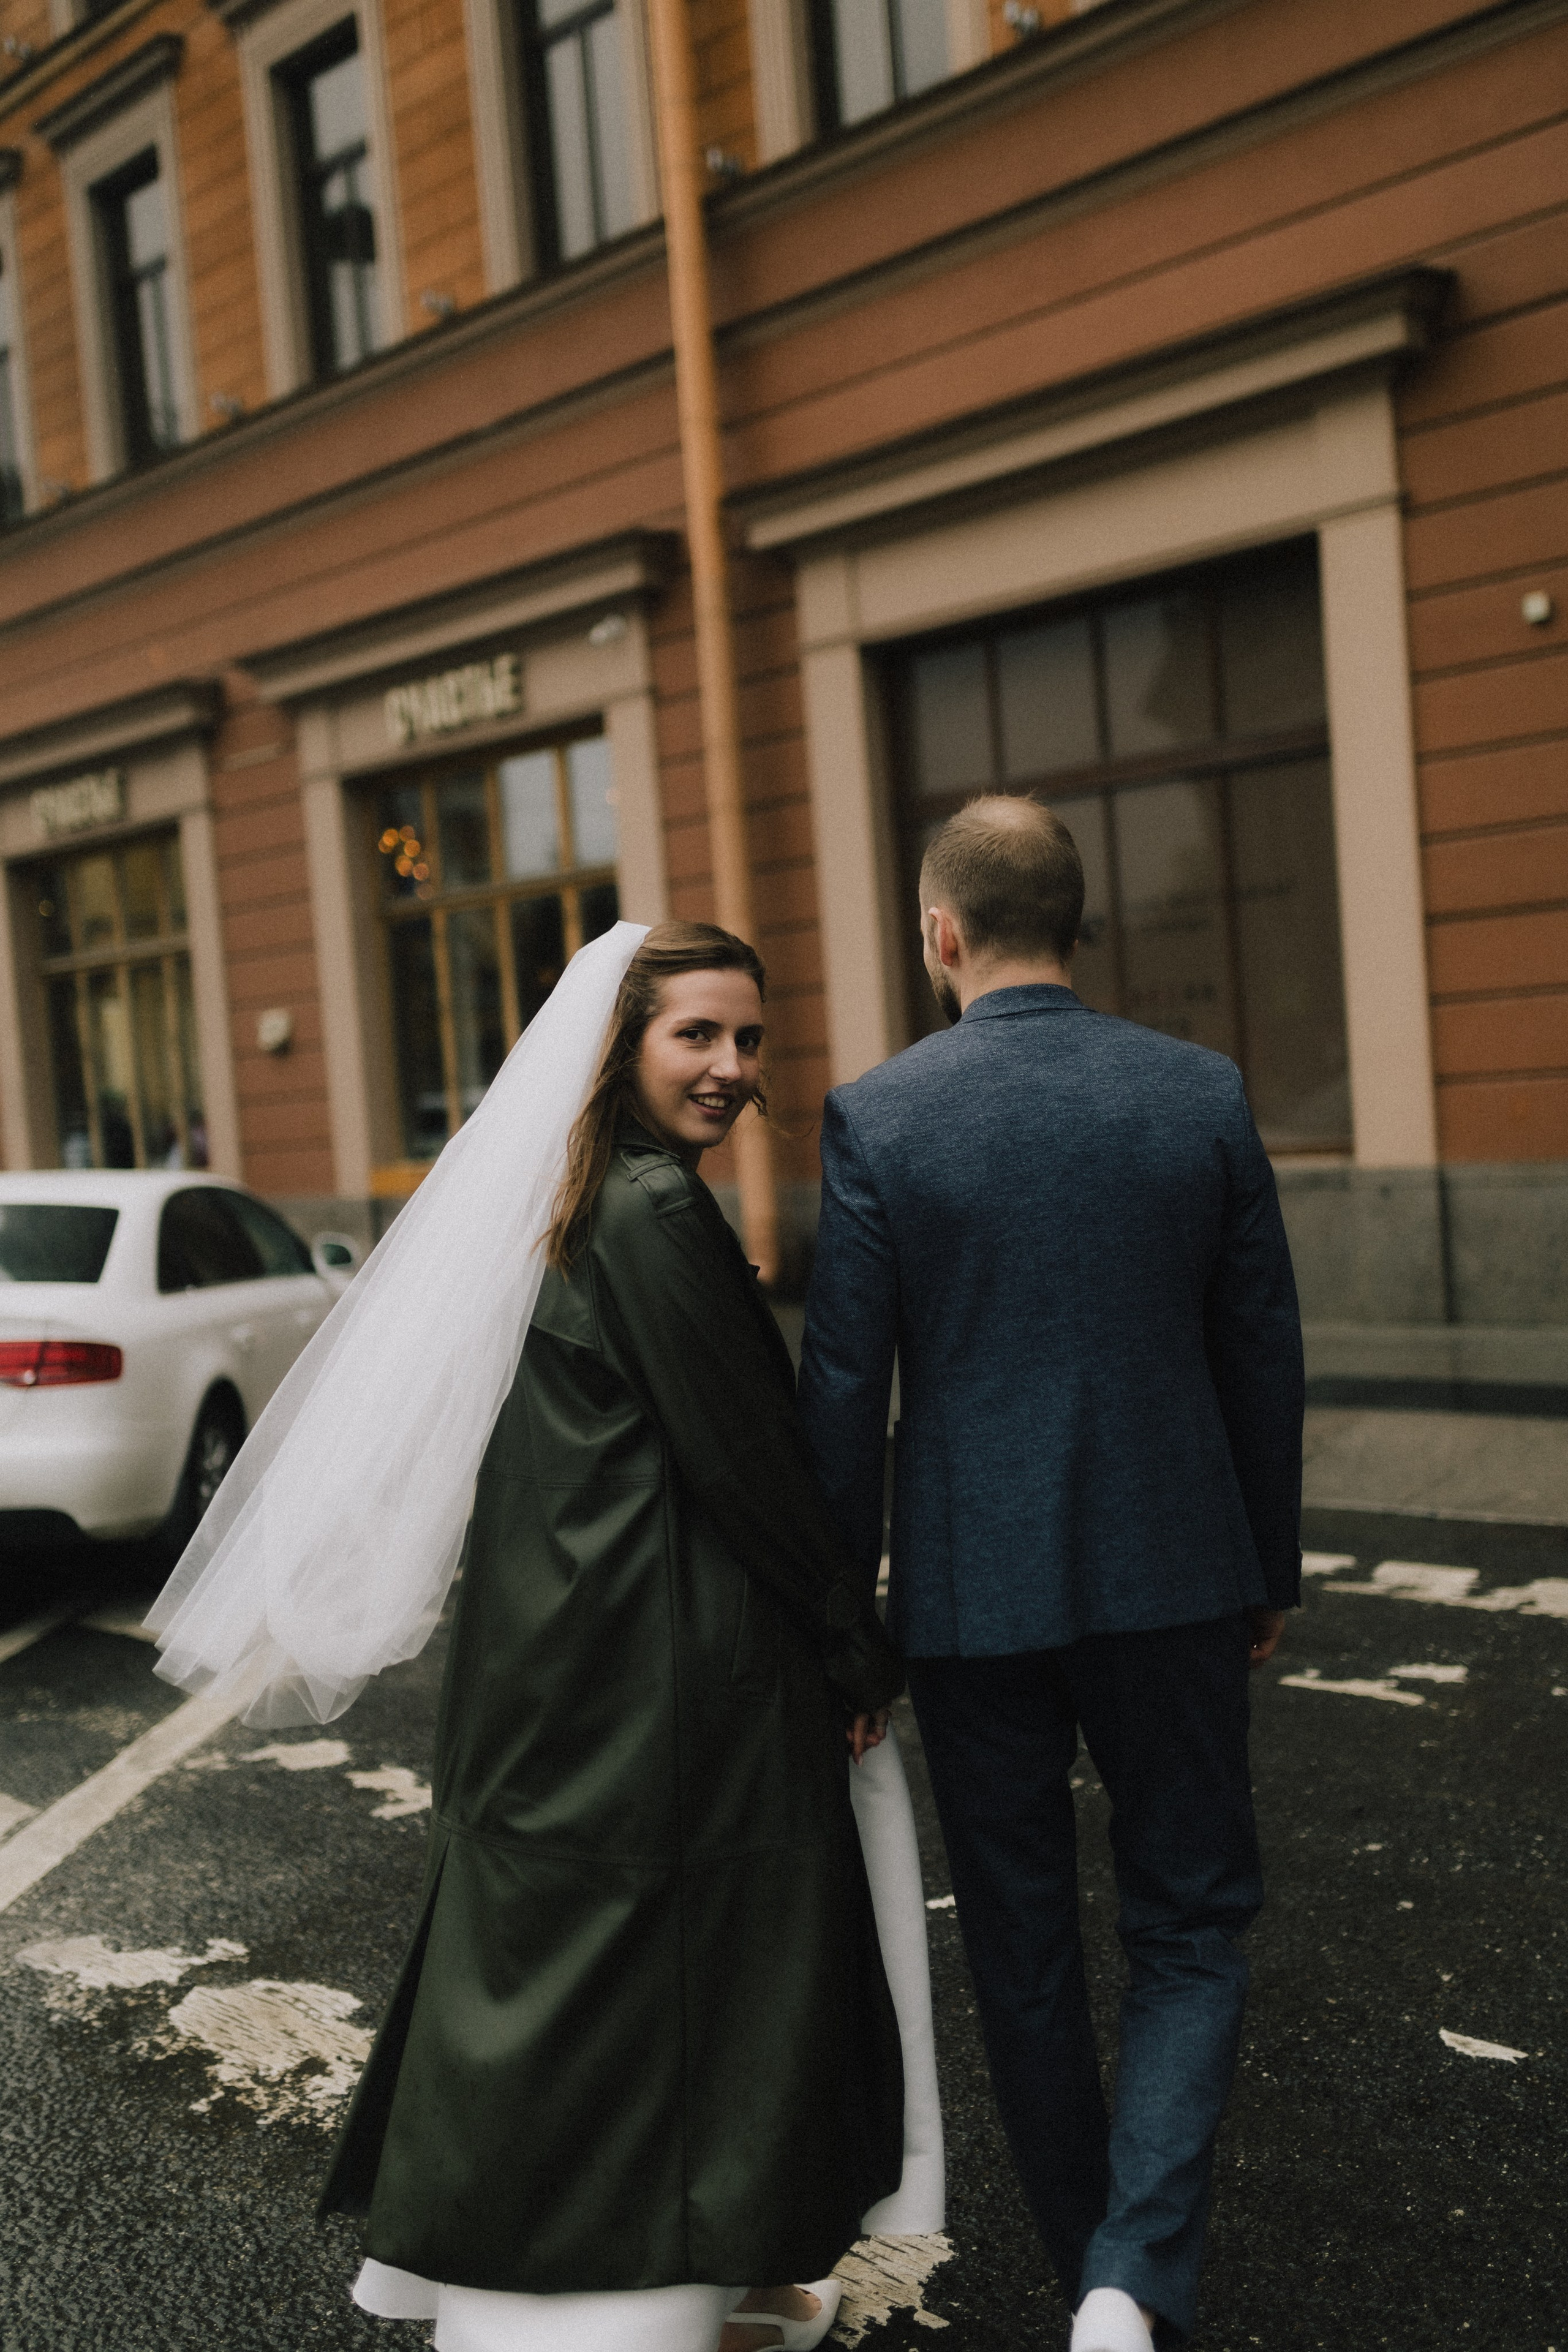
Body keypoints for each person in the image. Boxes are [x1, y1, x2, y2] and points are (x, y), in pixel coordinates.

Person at [150, 918, 943, 2352]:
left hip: (558, 1643)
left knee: (574, 1969)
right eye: (694, 1034)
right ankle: (669, 2287)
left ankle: (697, 2273)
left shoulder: (570, 1197)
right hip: (666, 1654)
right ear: (618, 1045)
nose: (728, 1068)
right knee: (716, 1971)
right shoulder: (650, 1213)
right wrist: (855, 1649)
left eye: (747, 1038)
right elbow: (749, 1467)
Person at [797, 800, 1305, 2352]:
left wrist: (847, 1634)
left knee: (1018, 1940)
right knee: (1188, 1921)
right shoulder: (1197, 1093)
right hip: (1174, 1571)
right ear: (1075, 927)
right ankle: (1126, 2275)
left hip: (969, 1596)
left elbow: (840, 1397)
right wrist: (1262, 1566)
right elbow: (1260, 1358)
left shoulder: (880, 1116)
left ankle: (1102, 2269)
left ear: (939, 933)